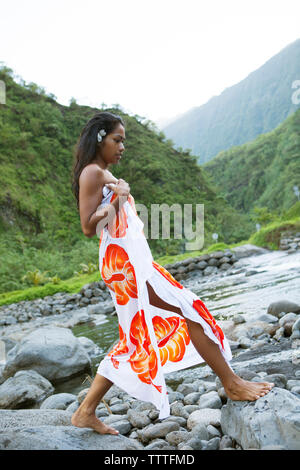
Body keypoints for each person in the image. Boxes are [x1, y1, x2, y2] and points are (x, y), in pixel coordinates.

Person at [71, 111, 274, 435]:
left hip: (136, 264)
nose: (123, 147)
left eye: (124, 141)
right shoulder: (92, 173)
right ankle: (232, 383)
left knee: (136, 335)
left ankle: (85, 410)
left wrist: (119, 194)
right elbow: (87, 226)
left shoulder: (102, 171)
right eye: (117, 140)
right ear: (100, 138)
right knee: (189, 309)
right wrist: (120, 200)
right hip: (124, 267)